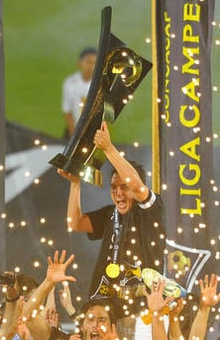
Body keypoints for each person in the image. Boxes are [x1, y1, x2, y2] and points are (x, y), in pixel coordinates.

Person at [59, 122, 165, 301]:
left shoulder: (151, 209)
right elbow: (75, 223)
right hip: (107, 303)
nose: (118, 193)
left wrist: (108, 148)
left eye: (124, 187)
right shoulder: (110, 214)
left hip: (142, 306)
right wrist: (75, 184)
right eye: (113, 187)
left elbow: (137, 186)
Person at [62, 47, 97, 138]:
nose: (91, 66)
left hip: (93, 132)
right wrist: (74, 134)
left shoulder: (99, 85)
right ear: (79, 63)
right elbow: (67, 110)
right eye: (88, 62)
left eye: (94, 63)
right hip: (73, 130)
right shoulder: (70, 82)